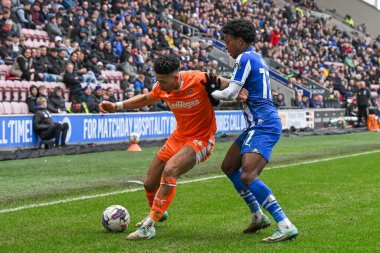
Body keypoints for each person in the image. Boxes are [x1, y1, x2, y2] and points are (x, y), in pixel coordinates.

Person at [99, 55, 219, 240]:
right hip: (178, 137)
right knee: (149, 183)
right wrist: (117, 106)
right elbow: (147, 98)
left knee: (170, 171)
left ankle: (149, 226)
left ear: (176, 78)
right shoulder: (161, 86)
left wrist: (237, 92)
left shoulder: (198, 78)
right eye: (157, 80)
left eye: (163, 81)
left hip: (201, 139)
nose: (159, 85)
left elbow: (229, 83)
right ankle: (159, 212)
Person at [206, 19, 298, 243]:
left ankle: (285, 224)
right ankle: (258, 216)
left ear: (240, 41)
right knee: (229, 166)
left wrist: (209, 93)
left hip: (263, 124)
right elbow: (239, 92)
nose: (226, 46)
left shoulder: (245, 57)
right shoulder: (255, 58)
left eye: (228, 42)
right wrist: (219, 88)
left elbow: (230, 93)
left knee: (248, 175)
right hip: (255, 124)